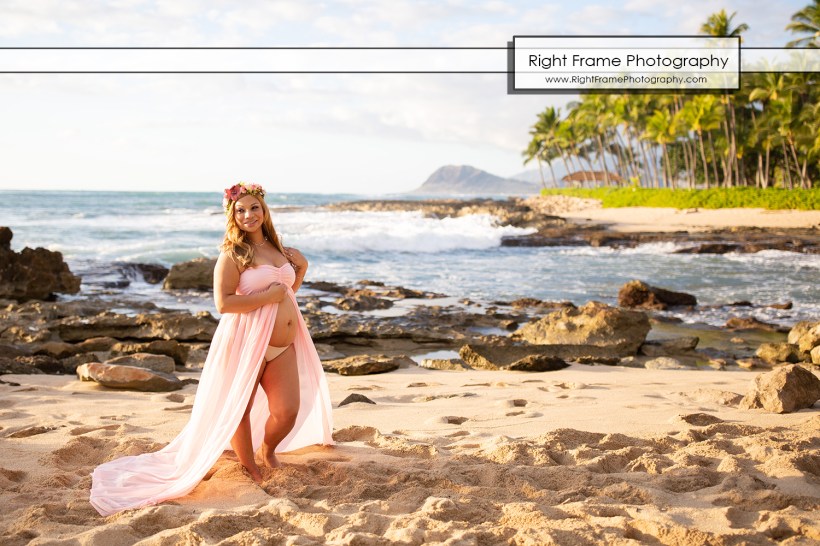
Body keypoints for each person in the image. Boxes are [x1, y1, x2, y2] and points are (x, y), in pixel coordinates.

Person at [89, 182, 334, 516]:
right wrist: (268, 297)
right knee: (239, 409)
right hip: (246, 342)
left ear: (264, 211)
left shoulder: (281, 249)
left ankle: (268, 449)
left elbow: (287, 291)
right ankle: (250, 466)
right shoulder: (233, 254)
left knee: (287, 410)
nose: (249, 215)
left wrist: (301, 269)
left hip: (282, 344)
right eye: (241, 210)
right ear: (232, 216)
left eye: (254, 208)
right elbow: (224, 303)